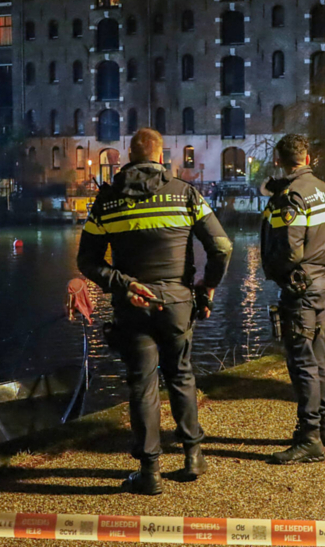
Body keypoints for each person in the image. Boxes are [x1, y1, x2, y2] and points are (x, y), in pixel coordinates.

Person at [77, 128, 232, 495]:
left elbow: (87, 261)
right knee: (181, 375)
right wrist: (207, 287)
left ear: (129, 158)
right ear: (161, 158)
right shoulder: (185, 194)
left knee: (142, 385)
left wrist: (123, 283)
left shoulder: (107, 201)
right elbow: (222, 246)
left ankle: (149, 473)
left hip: (133, 305)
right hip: (177, 302)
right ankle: (193, 456)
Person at [260, 134, 325, 464]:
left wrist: (282, 276)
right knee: (318, 355)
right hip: (322, 282)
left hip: (301, 288)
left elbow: (290, 249)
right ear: (306, 158)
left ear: (279, 160)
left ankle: (309, 439)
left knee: (302, 362)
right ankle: (323, 426)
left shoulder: (289, 197)